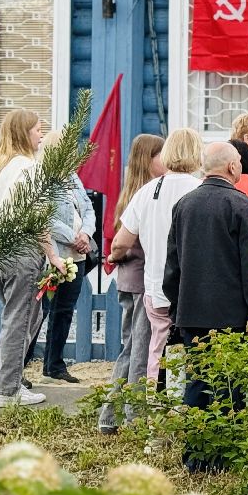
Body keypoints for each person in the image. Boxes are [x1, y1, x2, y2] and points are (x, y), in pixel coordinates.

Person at [162, 142, 248, 472]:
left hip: (192, 311)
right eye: (238, 162)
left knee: (197, 383)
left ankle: (195, 457)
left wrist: (176, 304)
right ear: (232, 167)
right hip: (232, 314)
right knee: (231, 386)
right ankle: (225, 457)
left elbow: (173, 264)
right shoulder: (242, 205)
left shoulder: (184, 205)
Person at [0, 109, 62, 407]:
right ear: (25, 133)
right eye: (37, 129)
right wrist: (53, 255)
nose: (41, 134)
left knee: (22, 316)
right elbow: (38, 218)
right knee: (19, 320)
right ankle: (9, 391)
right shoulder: (29, 167)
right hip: (22, 251)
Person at [112, 128, 202, 386]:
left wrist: (114, 256)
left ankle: (155, 409)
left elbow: (121, 241)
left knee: (156, 350)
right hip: (192, 290)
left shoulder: (148, 191)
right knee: (192, 352)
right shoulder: (199, 189)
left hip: (157, 287)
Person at [98, 133, 164, 434]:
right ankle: (124, 415)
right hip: (140, 281)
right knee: (138, 350)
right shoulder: (149, 193)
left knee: (132, 346)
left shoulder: (130, 191)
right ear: (149, 159)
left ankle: (113, 415)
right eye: (160, 155)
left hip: (127, 279)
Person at [37, 129, 98, 384]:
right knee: (41, 312)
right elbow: (45, 217)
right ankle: (22, 364)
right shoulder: (43, 178)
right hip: (56, 254)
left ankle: (54, 365)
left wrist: (85, 233)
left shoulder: (72, 177)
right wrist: (73, 236)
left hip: (78, 256)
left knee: (65, 311)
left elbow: (88, 209)